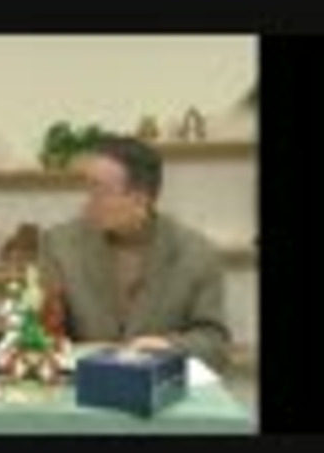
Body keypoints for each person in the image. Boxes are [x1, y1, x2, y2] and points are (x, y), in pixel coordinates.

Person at [39, 137, 231, 371]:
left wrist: (170, 346)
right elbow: (43, 328)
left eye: (99, 190)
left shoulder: (196, 253)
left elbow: (214, 342)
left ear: (140, 200)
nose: (86, 202)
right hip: (83, 382)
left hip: (161, 386)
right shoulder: (60, 245)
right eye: (87, 187)